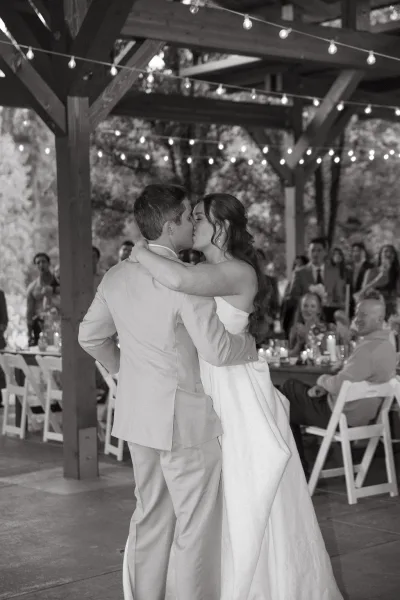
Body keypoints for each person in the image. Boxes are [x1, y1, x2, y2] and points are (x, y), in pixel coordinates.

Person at [131, 192, 342, 600]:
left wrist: (141, 248)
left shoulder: (237, 271)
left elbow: (177, 280)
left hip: (232, 390)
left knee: (241, 490)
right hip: (203, 382)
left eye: (199, 217)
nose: (193, 223)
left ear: (222, 227)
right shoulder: (205, 266)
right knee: (202, 493)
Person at [78, 184, 258, 600]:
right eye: (187, 217)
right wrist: (248, 346)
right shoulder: (186, 282)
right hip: (186, 421)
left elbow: (90, 336)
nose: (191, 223)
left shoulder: (116, 275)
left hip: (140, 417)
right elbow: (216, 348)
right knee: (195, 527)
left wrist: (126, 372)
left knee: (150, 516)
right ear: (171, 223)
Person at [282, 297, 396, 477]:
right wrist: (327, 386)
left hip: (340, 415)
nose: (357, 318)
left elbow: (338, 384)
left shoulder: (368, 349)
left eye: (363, 314)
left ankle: (297, 472)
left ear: (379, 319)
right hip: (362, 416)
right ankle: (297, 470)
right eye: (356, 313)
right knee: (290, 395)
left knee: (284, 395)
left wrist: (322, 380)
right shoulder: (387, 346)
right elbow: (348, 381)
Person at [288, 237, 346, 325]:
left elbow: (339, 297)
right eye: (313, 251)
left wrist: (330, 303)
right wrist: (307, 302)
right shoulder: (299, 273)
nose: (315, 254)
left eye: (319, 250)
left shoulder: (334, 272)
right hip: (306, 318)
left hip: (329, 317)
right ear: (308, 253)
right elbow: (293, 296)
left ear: (325, 252)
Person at [358, 244, 400, 319]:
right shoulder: (371, 271)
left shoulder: (397, 273)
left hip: (390, 312)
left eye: (391, 252)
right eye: (386, 251)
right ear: (380, 255)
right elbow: (362, 292)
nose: (389, 254)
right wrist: (378, 279)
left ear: (394, 257)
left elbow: (398, 293)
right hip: (372, 311)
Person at [27, 253, 59, 345]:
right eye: (38, 262)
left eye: (43, 261)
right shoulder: (32, 287)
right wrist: (29, 334)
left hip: (59, 323)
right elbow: (29, 312)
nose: (41, 264)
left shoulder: (59, 281)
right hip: (41, 326)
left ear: (49, 263)